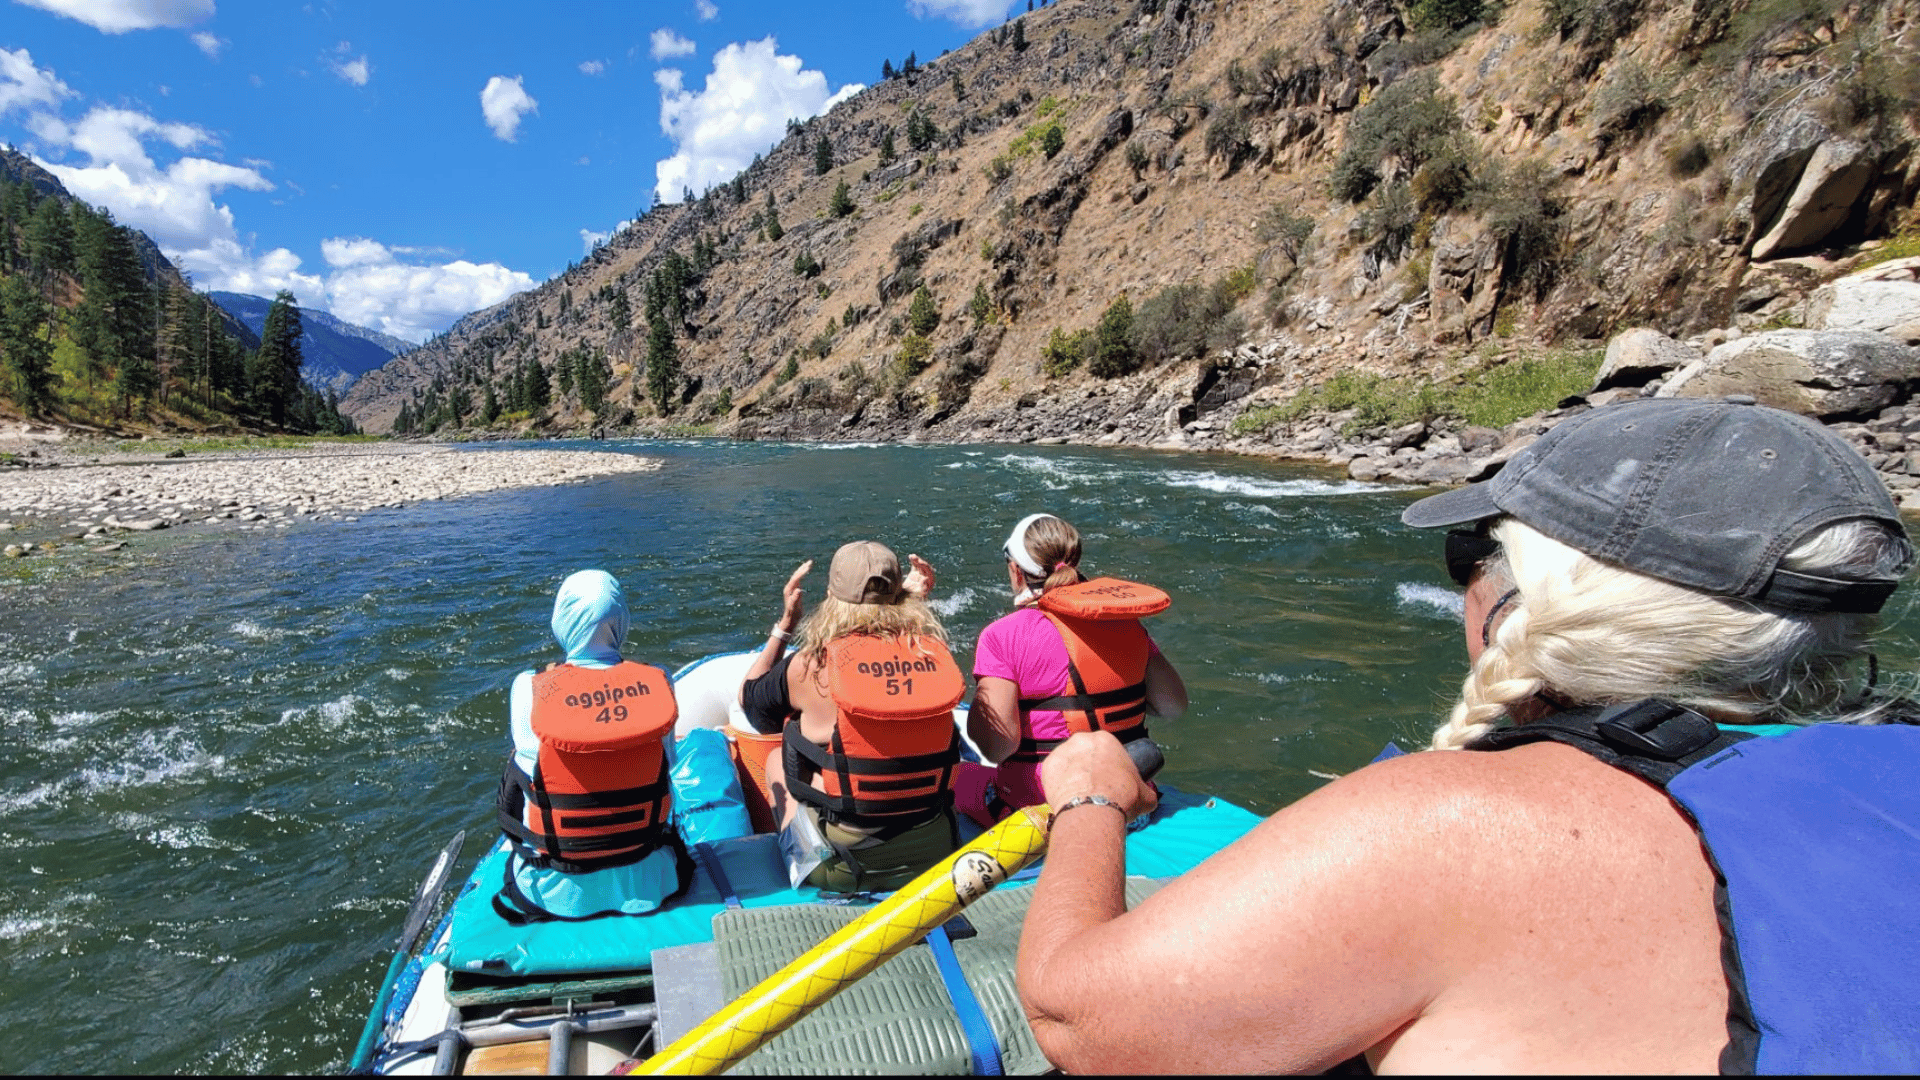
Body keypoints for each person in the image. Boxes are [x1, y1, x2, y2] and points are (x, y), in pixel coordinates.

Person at [1015, 398, 1920, 1073]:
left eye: (1474, 556)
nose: (1466, 585)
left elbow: (1077, 1020)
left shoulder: (1450, 825)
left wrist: (1089, 795)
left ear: (1526, 605)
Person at [737, 540, 965, 891]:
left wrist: (785, 624)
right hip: (937, 851)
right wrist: (909, 601)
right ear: (899, 597)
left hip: (846, 868)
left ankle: (800, 863)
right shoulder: (931, 653)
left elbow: (753, 706)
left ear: (830, 596)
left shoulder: (813, 665)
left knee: (775, 763)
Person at [492, 570, 691, 924]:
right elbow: (669, 765)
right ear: (622, 621)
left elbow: (526, 769)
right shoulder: (659, 681)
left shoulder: (528, 687)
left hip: (556, 889)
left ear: (561, 620)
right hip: (650, 879)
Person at [961, 513, 1187, 824]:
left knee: (957, 777)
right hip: (1130, 797)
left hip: (1047, 807)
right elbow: (1173, 706)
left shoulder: (1003, 635)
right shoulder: (1124, 623)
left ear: (1016, 570)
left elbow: (997, 747)